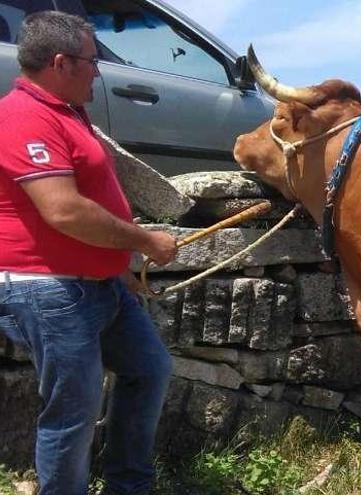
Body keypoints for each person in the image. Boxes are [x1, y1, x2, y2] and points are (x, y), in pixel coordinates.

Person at [0, 11, 178, 495]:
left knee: (149, 368)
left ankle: (128, 486)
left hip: (95, 282)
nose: (99, 71)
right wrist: (145, 242)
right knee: (74, 411)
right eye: (92, 61)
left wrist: (117, 266)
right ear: (61, 63)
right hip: (49, 288)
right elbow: (64, 212)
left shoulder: (64, 110)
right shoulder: (22, 116)